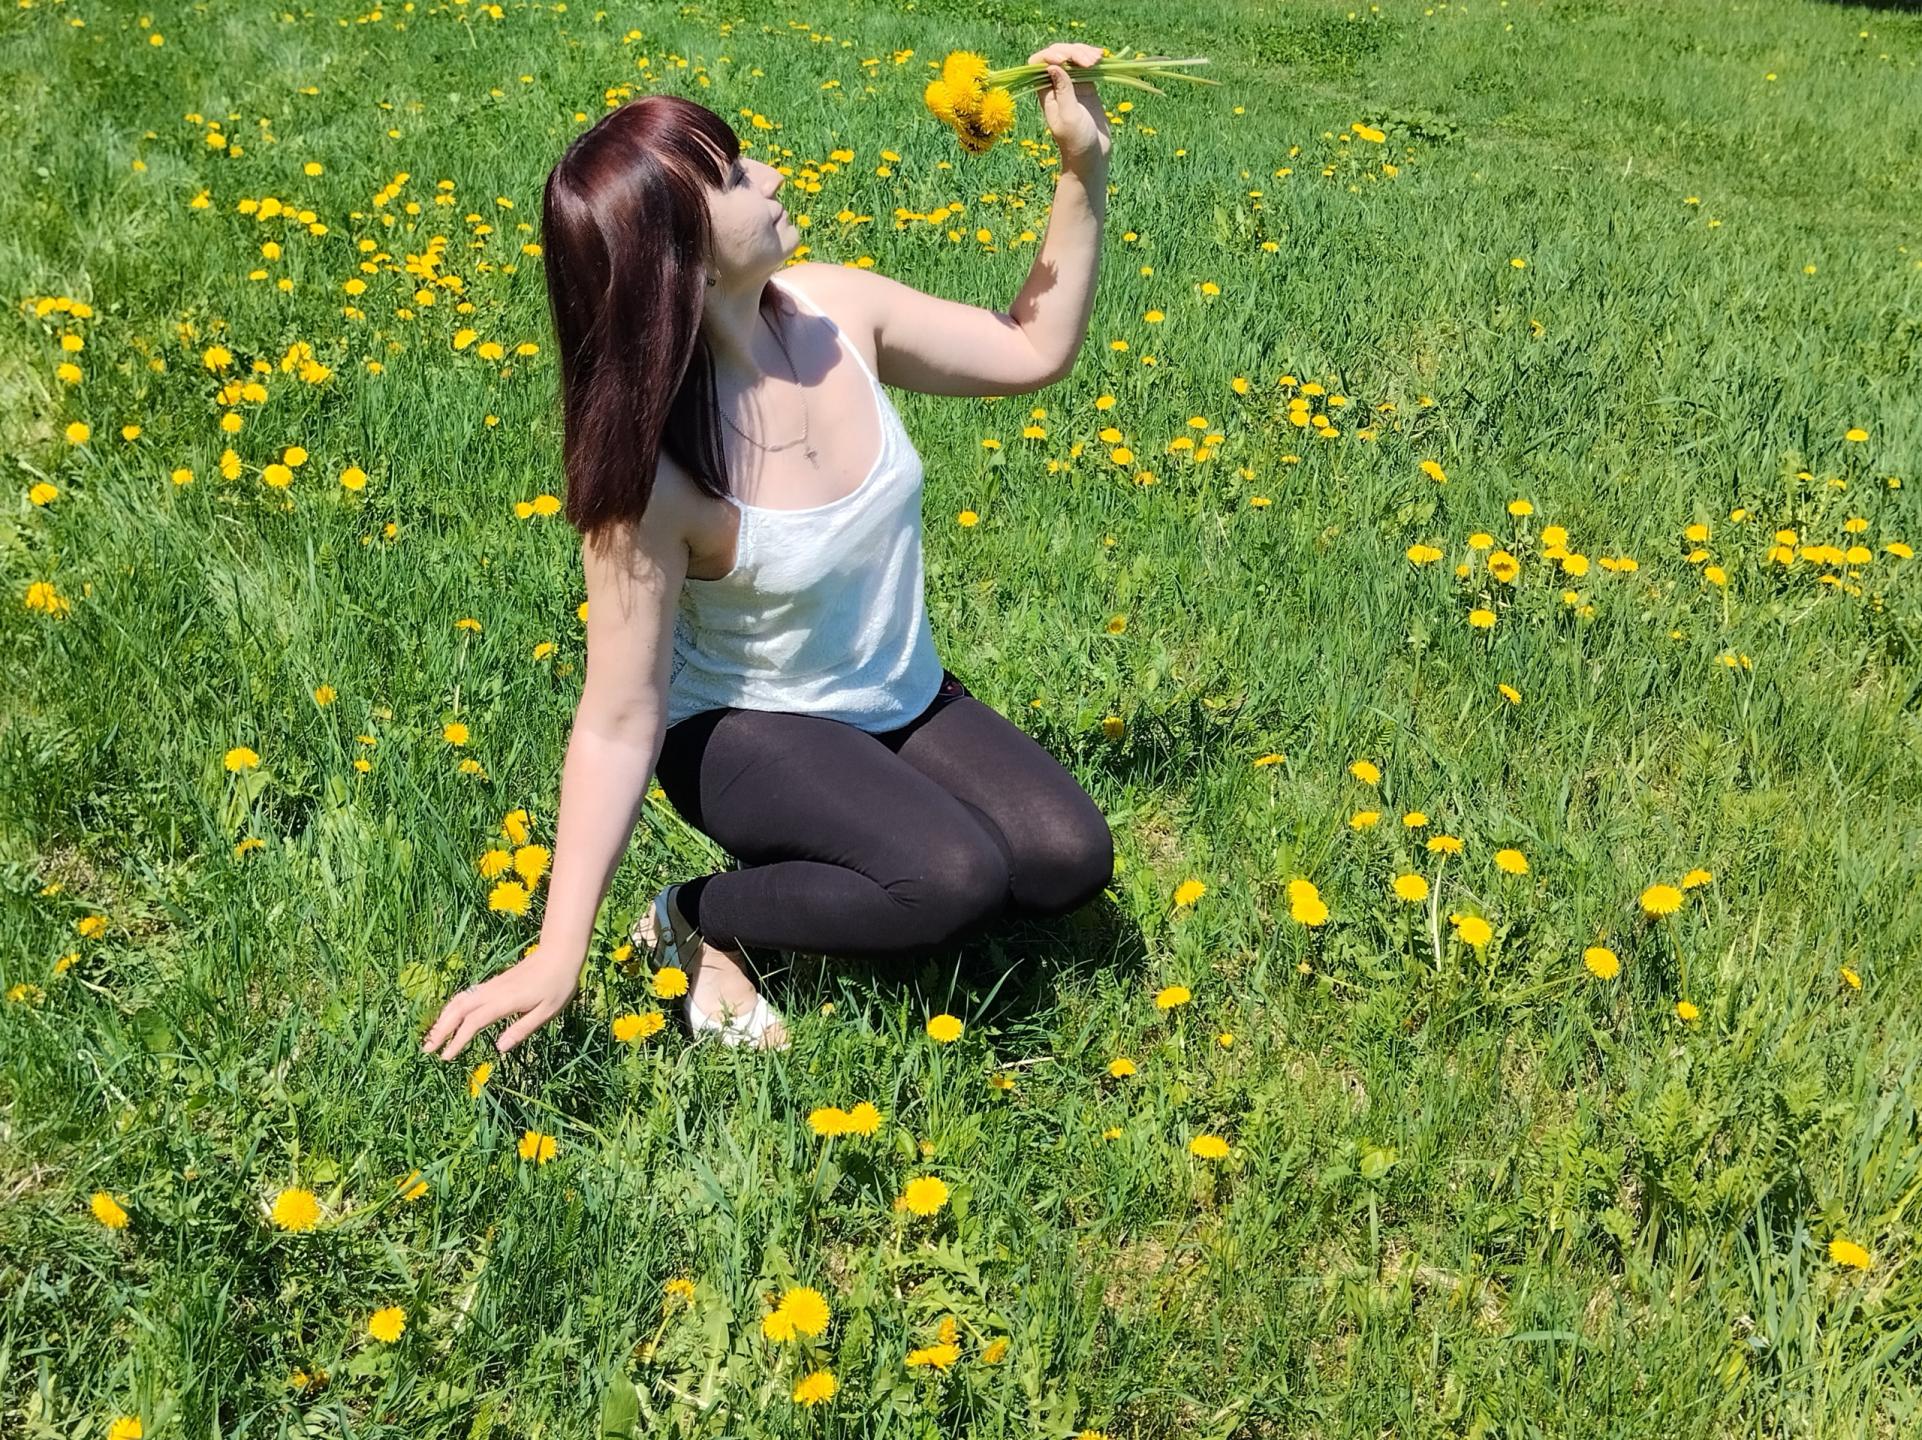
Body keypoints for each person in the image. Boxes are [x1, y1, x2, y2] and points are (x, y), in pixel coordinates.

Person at [422, 43, 1114, 1062]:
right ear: (685, 262)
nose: (774, 174)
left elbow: (1029, 348)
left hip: (895, 694)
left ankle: (832, 858)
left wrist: (1080, 166)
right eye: (737, 177)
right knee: (950, 879)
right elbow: (617, 719)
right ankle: (702, 916)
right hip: (743, 729)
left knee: (1064, 860)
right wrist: (557, 950)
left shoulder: (839, 311)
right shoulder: (656, 479)